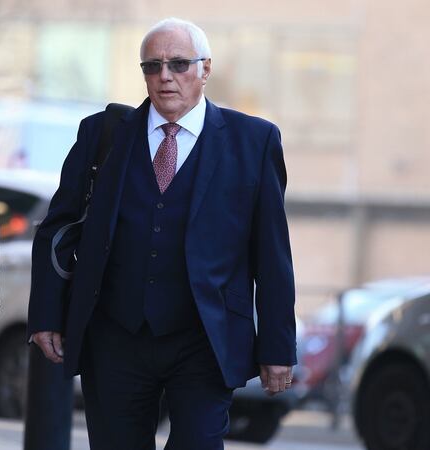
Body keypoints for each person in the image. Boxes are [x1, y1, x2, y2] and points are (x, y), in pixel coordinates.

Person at [28, 18, 296, 450]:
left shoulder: (254, 141)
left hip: (206, 339)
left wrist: (278, 347)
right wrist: (46, 315)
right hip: (115, 335)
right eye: (152, 66)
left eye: (178, 64)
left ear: (205, 69)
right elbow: (57, 226)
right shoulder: (103, 134)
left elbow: (272, 254)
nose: (165, 76)